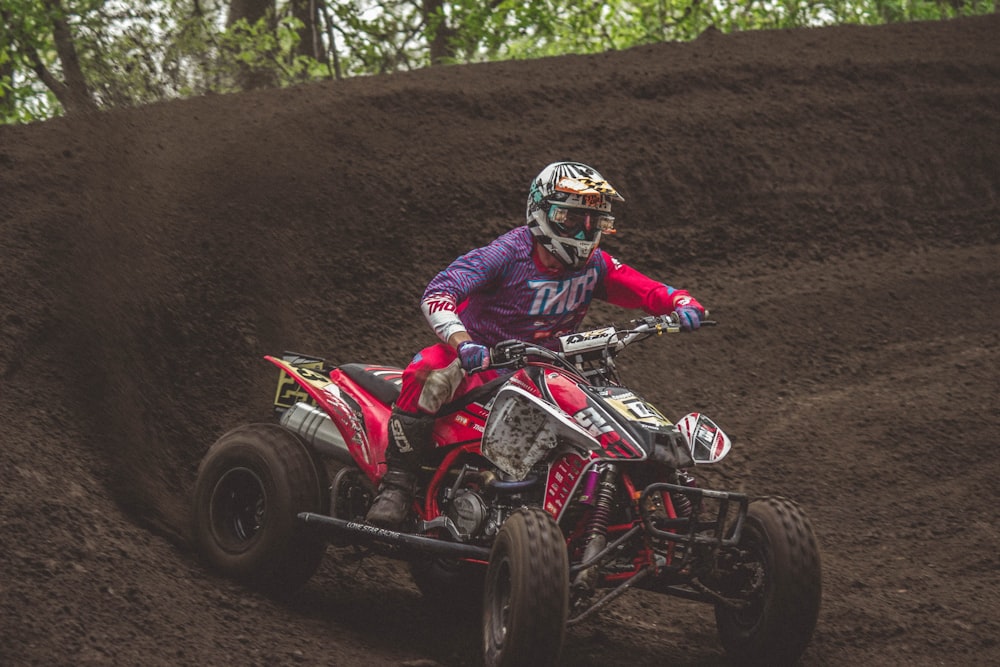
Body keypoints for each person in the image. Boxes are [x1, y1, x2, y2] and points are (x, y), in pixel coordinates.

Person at [365, 161, 706, 528]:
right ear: (541, 211)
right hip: (482, 361)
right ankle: (396, 485)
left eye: (594, 222)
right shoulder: (507, 255)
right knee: (428, 370)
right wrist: (464, 343)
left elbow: (651, 290)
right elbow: (438, 292)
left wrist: (681, 302)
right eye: (571, 219)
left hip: (550, 367)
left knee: (609, 410)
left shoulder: (595, 265)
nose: (584, 231)